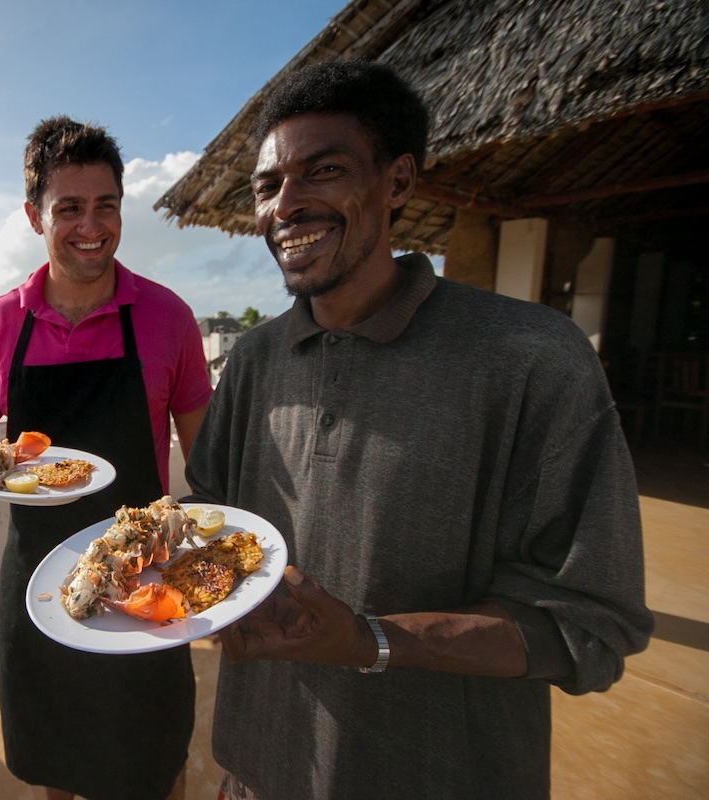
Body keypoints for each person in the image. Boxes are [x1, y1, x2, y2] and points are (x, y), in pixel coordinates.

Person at [184, 61, 654, 800]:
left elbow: (590, 623)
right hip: (261, 761)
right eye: (268, 186)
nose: (287, 205)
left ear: (397, 182)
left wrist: (367, 639)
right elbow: (213, 517)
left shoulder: (531, 358)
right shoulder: (252, 359)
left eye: (325, 170)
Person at [0, 115, 213, 800]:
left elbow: (209, 461)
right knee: (59, 762)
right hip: (40, 583)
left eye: (106, 206)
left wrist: (215, 570)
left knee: (153, 758)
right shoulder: (2, 323)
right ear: (34, 216)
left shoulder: (166, 316)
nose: (92, 226)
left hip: (145, 576)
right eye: (70, 208)